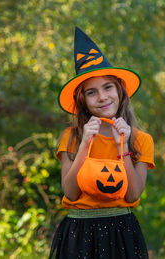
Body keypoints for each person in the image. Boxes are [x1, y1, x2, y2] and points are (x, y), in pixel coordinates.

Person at [49, 27, 155, 259]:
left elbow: (132, 195)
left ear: (120, 91)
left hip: (122, 232)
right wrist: (86, 143)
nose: (103, 97)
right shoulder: (72, 137)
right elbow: (70, 192)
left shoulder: (141, 140)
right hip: (79, 232)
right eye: (92, 92)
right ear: (83, 101)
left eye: (108, 87)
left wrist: (123, 146)